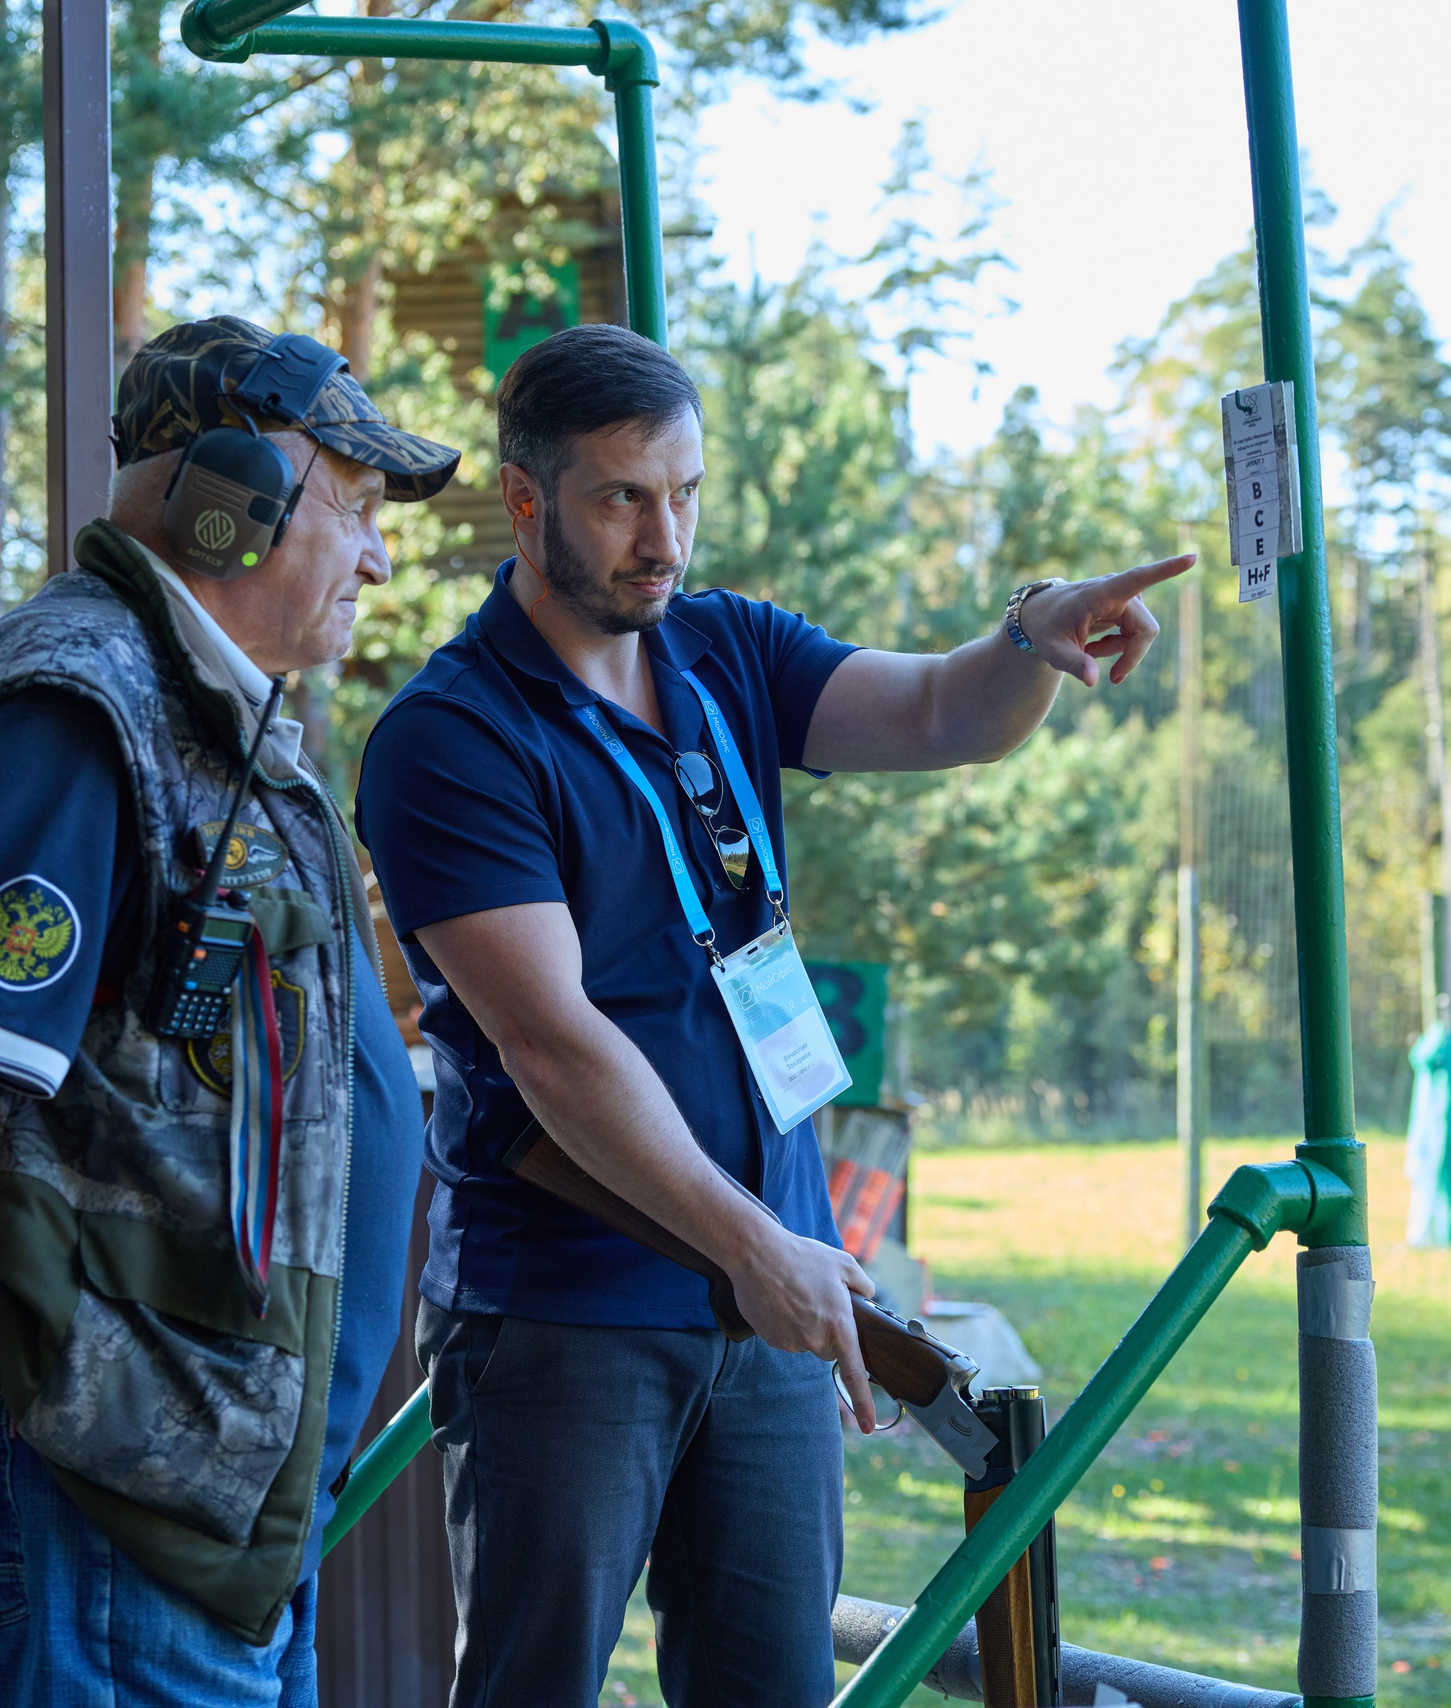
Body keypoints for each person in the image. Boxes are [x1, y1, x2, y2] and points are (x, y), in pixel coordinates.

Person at [356, 321, 1186, 1707]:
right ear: (523, 500)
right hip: (571, 1311)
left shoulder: (727, 649)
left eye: (683, 492)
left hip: (769, 1302)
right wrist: (759, 1247)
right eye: (622, 495)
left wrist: (1028, 632)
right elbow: (553, 1048)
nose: (661, 536)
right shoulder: (453, 738)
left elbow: (936, 714)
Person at [0, 317, 457, 1706]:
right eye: (359, 507)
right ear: (233, 496)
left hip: (208, 1506)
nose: (379, 556)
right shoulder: (76, 706)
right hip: (111, 1501)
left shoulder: (215, 719)